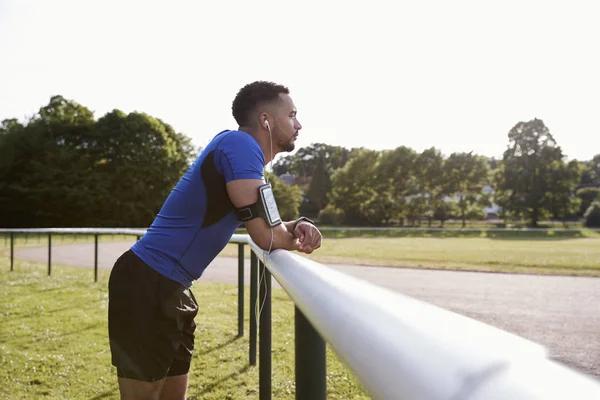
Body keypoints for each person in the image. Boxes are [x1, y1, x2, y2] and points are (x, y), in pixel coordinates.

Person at [107, 81, 323, 400]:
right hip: (148, 283)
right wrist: (292, 238)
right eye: (292, 114)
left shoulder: (240, 152)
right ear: (266, 120)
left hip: (172, 287)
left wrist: (298, 225)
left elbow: (270, 224)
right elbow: (265, 235)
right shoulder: (240, 145)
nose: (298, 124)